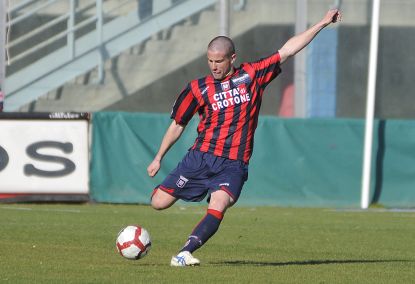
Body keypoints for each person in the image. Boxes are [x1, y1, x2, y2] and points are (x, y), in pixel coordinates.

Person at [147, 9, 341, 266]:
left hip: (233, 163)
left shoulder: (251, 75)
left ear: (232, 58)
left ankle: (185, 252)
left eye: (219, 61)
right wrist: (159, 157)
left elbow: (288, 50)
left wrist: (322, 23)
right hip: (200, 157)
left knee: (220, 202)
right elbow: (177, 124)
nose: (214, 66)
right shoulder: (197, 88)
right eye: (210, 61)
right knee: (158, 202)